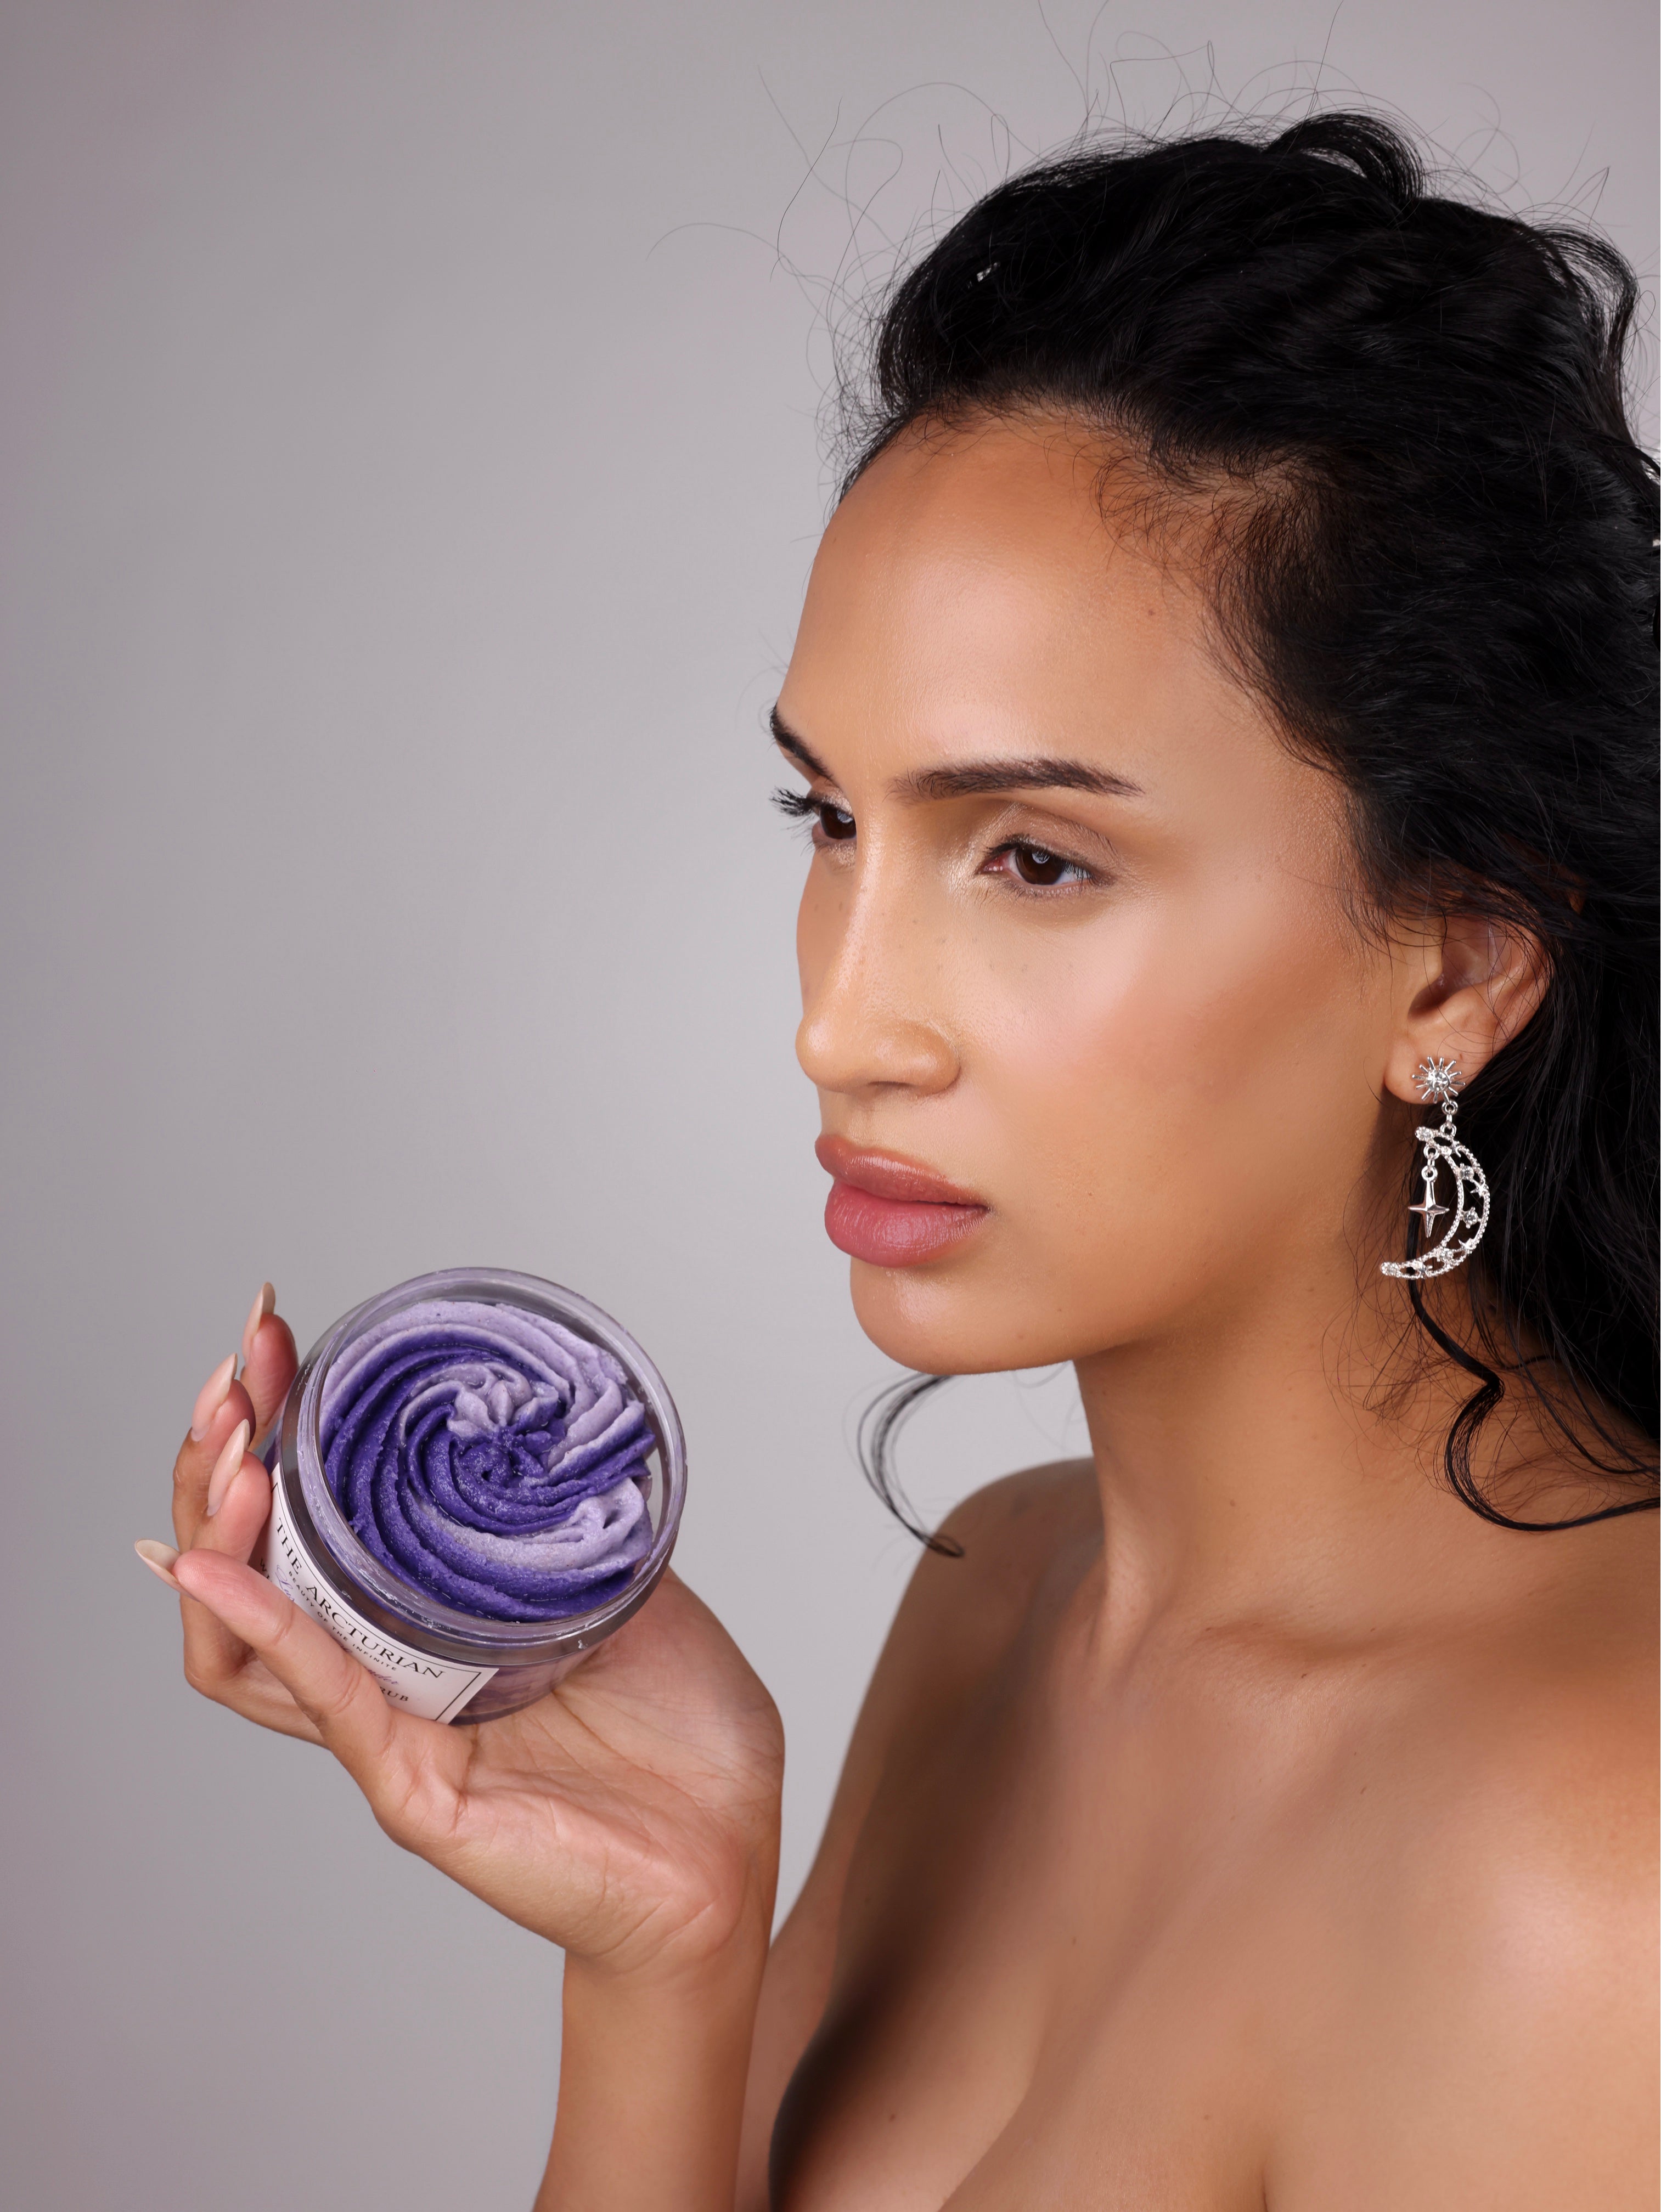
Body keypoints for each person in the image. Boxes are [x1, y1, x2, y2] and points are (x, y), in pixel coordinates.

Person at [143, 113, 1658, 2209]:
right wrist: (662, 1961)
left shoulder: (1592, 1857)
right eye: (831, 821)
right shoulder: (1006, 1590)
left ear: (1457, 966)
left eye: (1033, 857)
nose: (842, 1025)